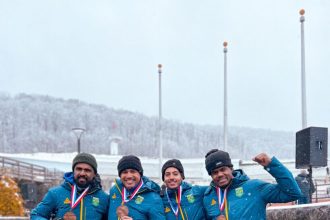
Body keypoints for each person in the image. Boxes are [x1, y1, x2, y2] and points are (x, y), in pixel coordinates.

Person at [203, 149, 301, 220]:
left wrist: (272, 165)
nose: (219, 174)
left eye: (223, 169)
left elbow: (292, 193)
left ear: (231, 169)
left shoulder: (254, 187)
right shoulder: (209, 195)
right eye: (215, 172)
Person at [30, 152, 109, 220]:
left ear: (94, 174)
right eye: (79, 169)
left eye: (87, 170)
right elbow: (36, 215)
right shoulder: (55, 193)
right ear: (73, 171)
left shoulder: (104, 198)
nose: (82, 173)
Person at [108, 155, 165, 220]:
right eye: (125, 172)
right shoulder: (114, 191)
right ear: (120, 175)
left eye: (133, 171)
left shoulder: (153, 198)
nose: (129, 176)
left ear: (140, 174)